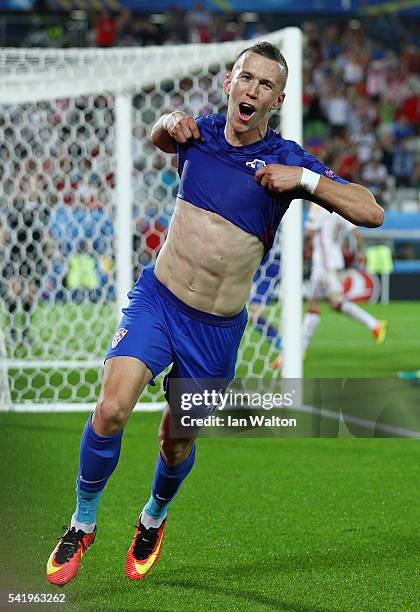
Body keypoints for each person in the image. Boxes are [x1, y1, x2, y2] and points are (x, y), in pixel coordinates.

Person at [46, 42, 383, 586]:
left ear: (278, 98)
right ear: (229, 83)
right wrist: (164, 120)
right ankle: (81, 524)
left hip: (216, 331)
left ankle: (153, 517)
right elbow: (161, 136)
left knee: (176, 441)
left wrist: (305, 181)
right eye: (245, 78)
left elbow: (370, 210)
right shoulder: (197, 134)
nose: (252, 90)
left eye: (265, 84)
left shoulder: (287, 160)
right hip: (157, 301)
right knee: (110, 409)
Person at [301, 203, 387, 356]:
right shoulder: (339, 206)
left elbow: (309, 232)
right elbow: (356, 232)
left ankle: (375, 324)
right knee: (319, 305)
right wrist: (360, 252)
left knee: (331, 303)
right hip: (333, 261)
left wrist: (305, 248)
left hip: (324, 263)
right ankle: (300, 349)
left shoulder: (317, 206)